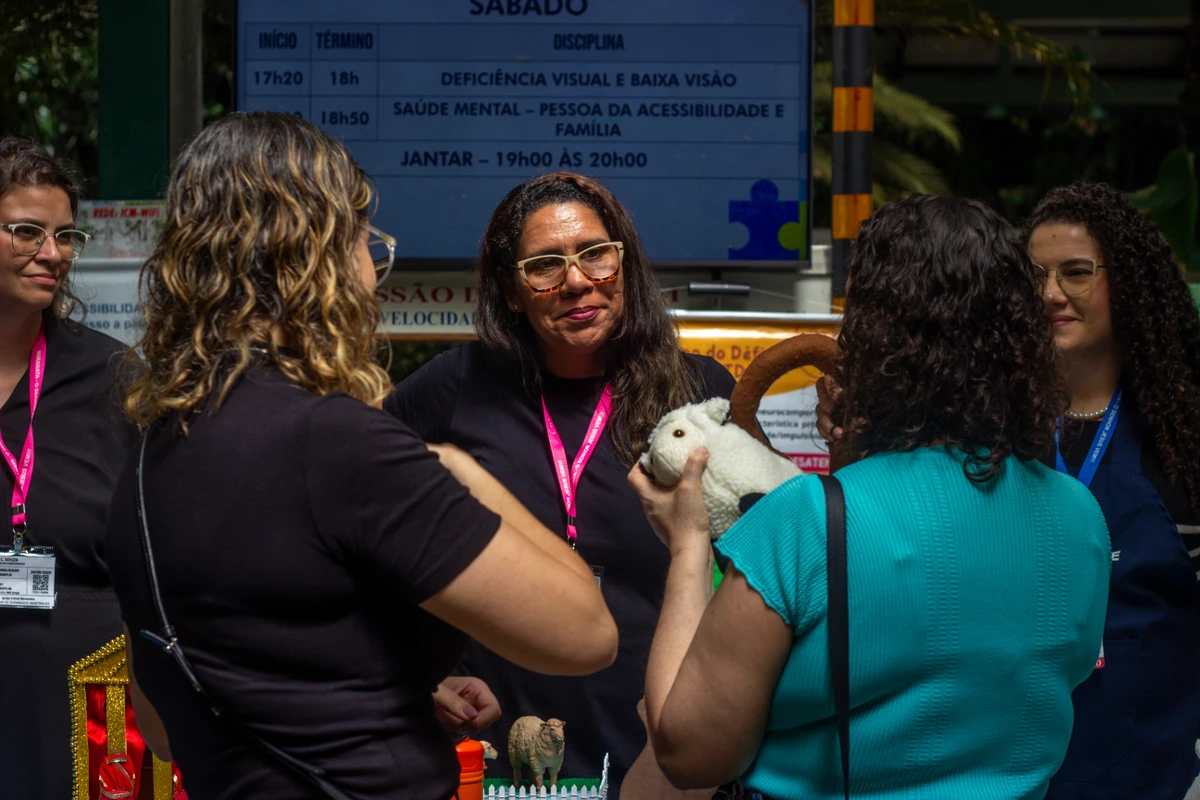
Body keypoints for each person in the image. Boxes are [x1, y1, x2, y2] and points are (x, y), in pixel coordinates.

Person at [104, 112, 618, 800]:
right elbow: (584, 634)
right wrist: (453, 465)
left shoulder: (152, 449)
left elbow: (167, 724)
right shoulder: (334, 441)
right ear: (315, 251)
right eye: (362, 240)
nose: (373, 273)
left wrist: (374, 687)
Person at [632, 194, 1111, 800]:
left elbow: (689, 753)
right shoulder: (1080, 516)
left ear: (874, 339)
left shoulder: (807, 519)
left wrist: (687, 546)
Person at [385, 171, 736, 793]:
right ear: (511, 292)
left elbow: (758, 582)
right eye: (544, 264)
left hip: (655, 751)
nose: (577, 281)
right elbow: (355, 539)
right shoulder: (452, 390)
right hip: (492, 752)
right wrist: (421, 675)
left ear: (624, 263)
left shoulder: (700, 396)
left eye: (596, 255)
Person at [1024, 182, 1200, 800]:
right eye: (1034, 275)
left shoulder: (1183, 437)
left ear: (1127, 283)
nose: (1050, 295)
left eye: (1076, 273)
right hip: (1009, 767)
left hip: (1159, 772)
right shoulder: (994, 427)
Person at [0, 137, 137, 799]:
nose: (51, 253)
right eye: (26, 231)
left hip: (86, 706)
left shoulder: (114, 378)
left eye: (63, 234)